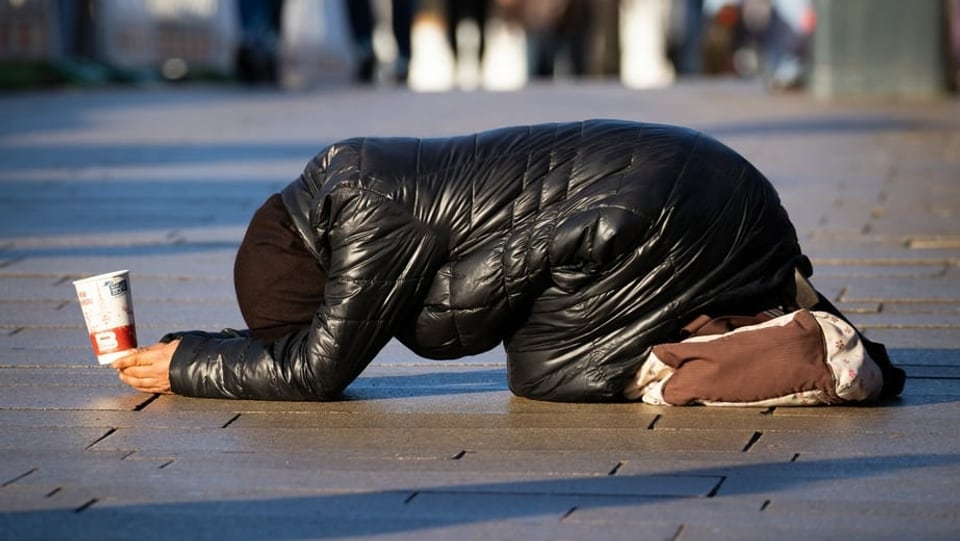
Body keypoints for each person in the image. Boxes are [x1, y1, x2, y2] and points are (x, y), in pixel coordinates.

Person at [113, 120, 905, 404]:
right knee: (550, 351)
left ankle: (807, 353)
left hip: (670, 208)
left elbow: (317, 369)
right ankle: (746, 314)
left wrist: (191, 364)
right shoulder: (344, 181)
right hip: (693, 193)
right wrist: (223, 344)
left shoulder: (366, 217)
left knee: (557, 371)